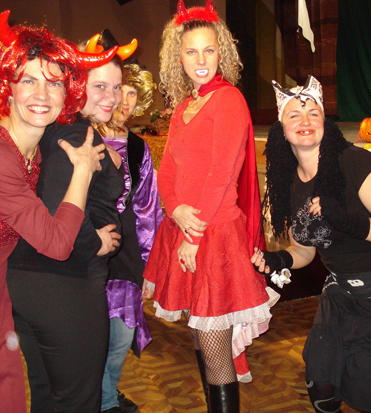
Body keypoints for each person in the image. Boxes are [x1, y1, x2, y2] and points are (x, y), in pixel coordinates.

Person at [0, 10, 109, 413]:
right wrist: (83, 171)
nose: (42, 95)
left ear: (68, 93)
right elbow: (57, 244)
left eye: (54, 83)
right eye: (28, 81)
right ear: (8, 86)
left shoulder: (28, 147)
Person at [251, 76, 371, 413]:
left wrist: (346, 221)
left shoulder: (355, 162)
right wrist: (278, 260)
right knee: (321, 382)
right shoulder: (289, 182)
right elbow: (305, 250)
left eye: (313, 113)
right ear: (281, 129)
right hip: (343, 295)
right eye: (294, 115)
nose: (305, 121)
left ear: (325, 123)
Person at [142, 1, 279, 411]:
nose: (200, 60)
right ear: (178, 57)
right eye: (191, 51)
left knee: (215, 346)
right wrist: (174, 210)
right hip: (185, 228)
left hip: (214, 234)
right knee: (201, 337)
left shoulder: (229, 99)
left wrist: (193, 235)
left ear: (222, 53)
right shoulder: (184, 107)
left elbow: (221, 175)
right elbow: (167, 170)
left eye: (208, 50)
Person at [6, 31, 136, 413]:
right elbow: (54, 210)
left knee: (48, 399)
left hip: (32, 284)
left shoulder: (60, 129)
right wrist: (94, 242)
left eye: (116, 87)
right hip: (65, 289)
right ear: (77, 85)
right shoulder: (77, 134)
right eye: (100, 86)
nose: (112, 97)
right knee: (79, 402)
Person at [93, 58, 163, 413]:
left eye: (132, 93)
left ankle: (105, 396)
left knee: (120, 339)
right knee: (90, 341)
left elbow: (148, 211)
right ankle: (104, 402)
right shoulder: (81, 137)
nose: (123, 100)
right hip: (87, 254)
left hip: (127, 258)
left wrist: (151, 266)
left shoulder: (138, 148)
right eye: (118, 89)